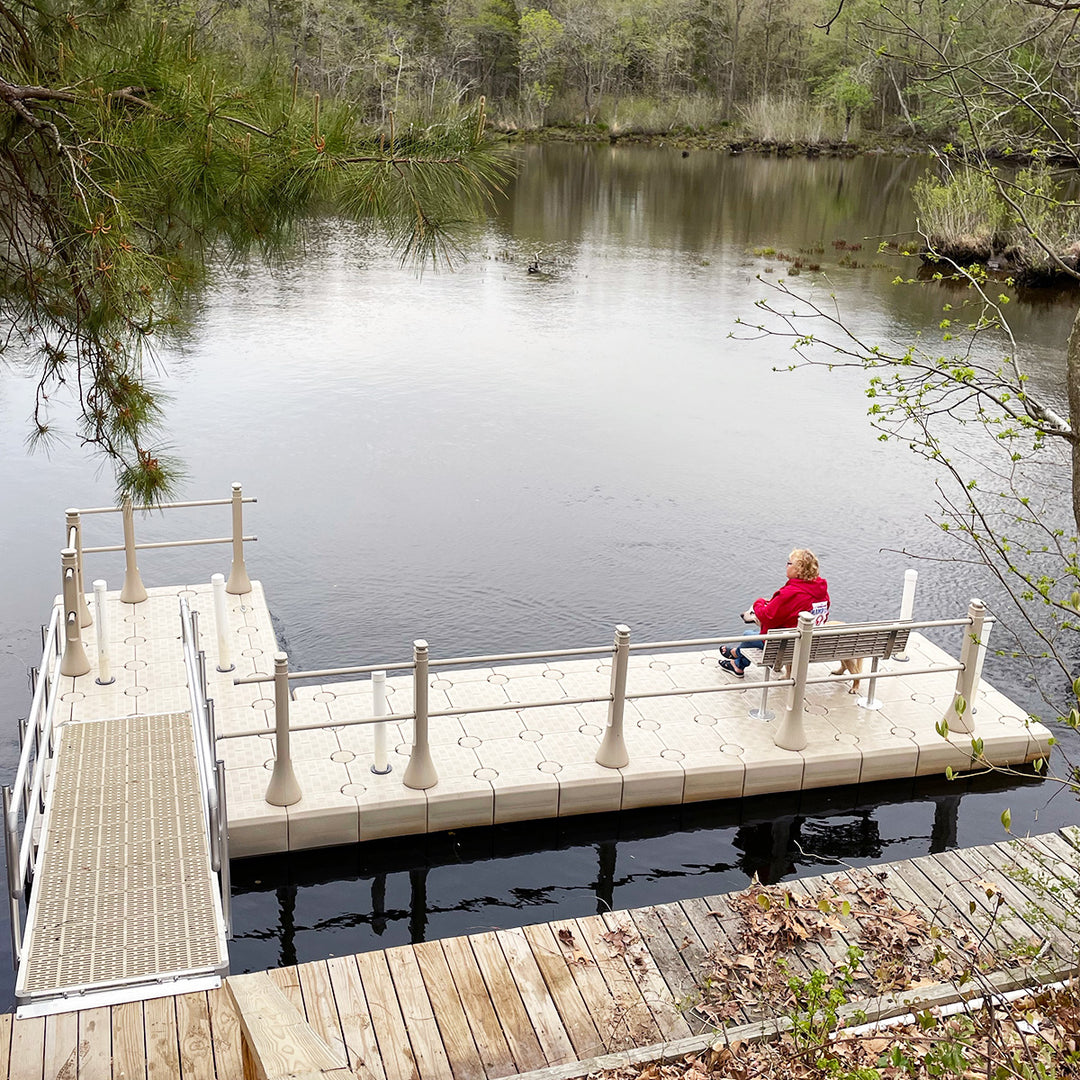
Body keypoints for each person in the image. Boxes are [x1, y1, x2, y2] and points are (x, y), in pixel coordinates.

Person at [719, 548, 830, 678]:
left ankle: (737, 660)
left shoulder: (791, 593)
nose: (786, 566)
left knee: (748, 635)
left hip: (787, 647)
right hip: (811, 644)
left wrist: (759, 602)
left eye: (789, 563)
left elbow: (766, 616)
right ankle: (736, 658)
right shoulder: (822, 592)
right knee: (754, 636)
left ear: (799, 570)